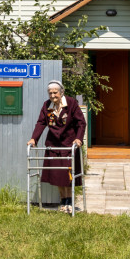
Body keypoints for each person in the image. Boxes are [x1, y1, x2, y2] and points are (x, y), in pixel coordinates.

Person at [28, 80, 86, 213]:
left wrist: (78, 138)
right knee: (57, 175)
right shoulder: (47, 105)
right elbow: (41, 122)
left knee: (67, 175)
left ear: (62, 92)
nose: (53, 95)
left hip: (68, 144)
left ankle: (69, 202)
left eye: (55, 92)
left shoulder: (71, 103)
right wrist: (34, 139)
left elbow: (81, 123)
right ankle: (63, 201)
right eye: (50, 93)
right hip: (53, 144)